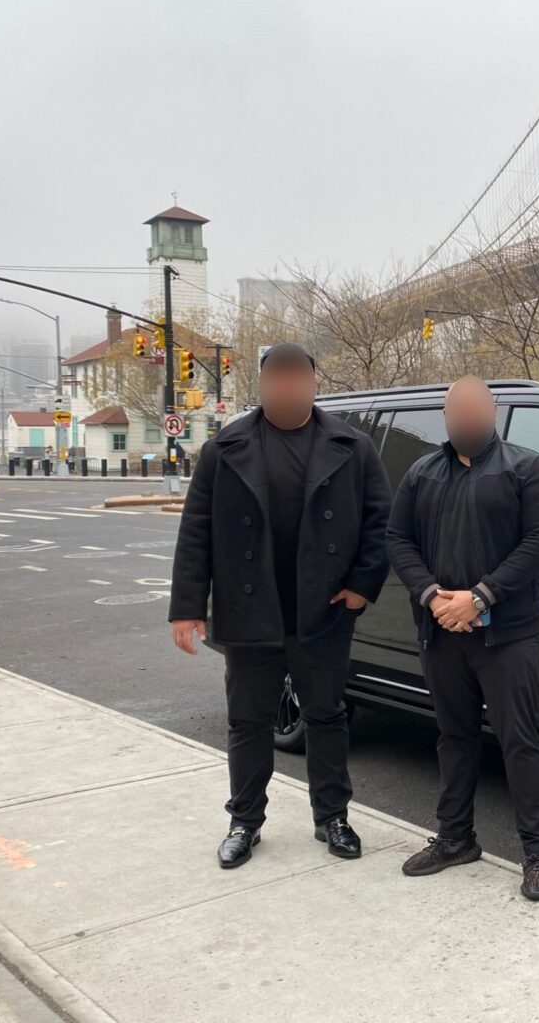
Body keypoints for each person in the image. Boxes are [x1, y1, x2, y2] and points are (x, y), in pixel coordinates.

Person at [169, 342, 391, 869]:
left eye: (298, 379)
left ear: (313, 383)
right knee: (248, 722)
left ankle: (333, 817)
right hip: (251, 612)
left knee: (327, 717)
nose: (288, 388)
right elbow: (195, 531)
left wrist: (363, 584)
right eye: (278, 380)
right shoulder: (225, 448)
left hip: (325, 610)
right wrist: (186, 607)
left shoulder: (351, 446)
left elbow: (382, 520)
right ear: (264, 385)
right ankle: (244, 821)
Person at [386, 376, 539, 901]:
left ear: (492, 413)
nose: (463, 421)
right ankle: (455, 838)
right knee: (454, 738)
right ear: (445, 417)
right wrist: (431, 597)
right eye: (453, 413)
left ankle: (538, 856)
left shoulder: (527, 468)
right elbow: (398, 538)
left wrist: (482, 596)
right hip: (442, 633)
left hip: (507, 635)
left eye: (473, 412)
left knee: (521, 743)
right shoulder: (422, 473)